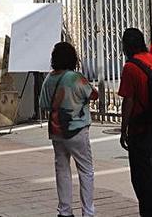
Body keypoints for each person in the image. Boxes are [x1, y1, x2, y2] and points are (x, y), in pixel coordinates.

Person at [39, 41, 99, 217]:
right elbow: (94, 94)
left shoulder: (49, 79)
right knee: (86, 170)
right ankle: (88, 212)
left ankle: (64, 211)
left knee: (62, 169)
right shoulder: (75, 78)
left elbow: (43, 103)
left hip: (56, 131)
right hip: (77, 129)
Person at [118, 27, 152, 217]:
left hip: (140, 127)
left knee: (141, 174)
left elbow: (128, 101)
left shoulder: (130, 67)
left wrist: (123, 130)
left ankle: (149, 211)